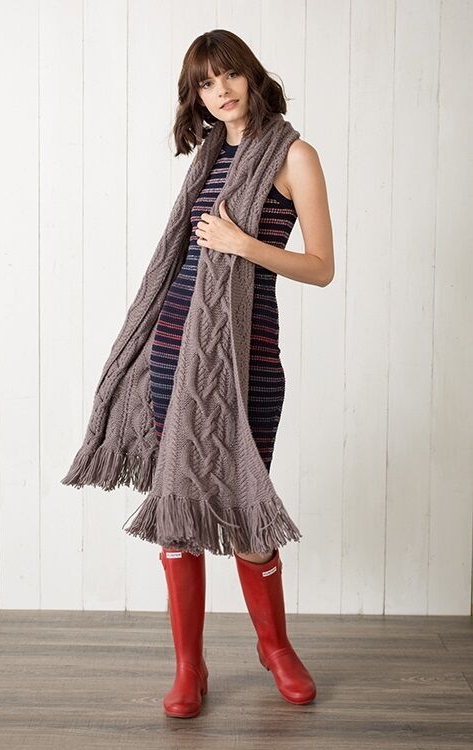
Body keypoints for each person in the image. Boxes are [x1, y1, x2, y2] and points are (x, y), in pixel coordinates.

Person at [152, 29, 334, 718]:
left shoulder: (294, 156)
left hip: (247, 357)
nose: (220, 90)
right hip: (174, 352)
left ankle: (275, 648)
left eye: (228, 74)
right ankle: (189, 667)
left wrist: (243, 243)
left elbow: (321, 267)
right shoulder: (206, 157)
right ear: (195, 96)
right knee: (179, 512)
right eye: (205, 82)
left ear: (251, 76)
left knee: (247, 507)